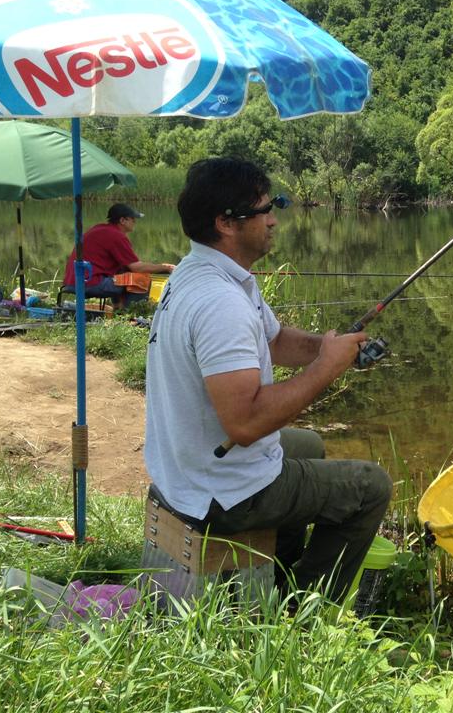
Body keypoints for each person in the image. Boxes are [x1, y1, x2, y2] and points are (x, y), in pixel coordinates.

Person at [143, 157, 392, 603]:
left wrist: (330, 348)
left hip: (188, 463)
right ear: (226, 223)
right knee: (370, 488)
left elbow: (274, 340)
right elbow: (245, 424)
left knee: (308, 445)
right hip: (217, 492)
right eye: (264, 210)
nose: (274, 220)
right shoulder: (220, 302)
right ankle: (307, 610)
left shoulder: (207, 271)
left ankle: (279, 574)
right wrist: (325, 369)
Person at [62, 202, 176, 306]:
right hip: (90, 282)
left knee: (122, 274)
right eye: (132, 219)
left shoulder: (100, 229)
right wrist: (165, 267)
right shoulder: (116, 235)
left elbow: (126, 267)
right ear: (122, 220)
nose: (135, 222)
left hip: (73, 281)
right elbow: (137, 267)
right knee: (141, 280)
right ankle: (130, 314)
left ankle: (118, 308)